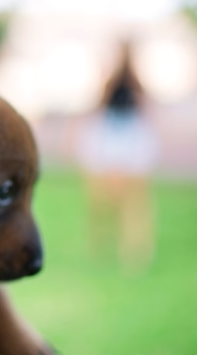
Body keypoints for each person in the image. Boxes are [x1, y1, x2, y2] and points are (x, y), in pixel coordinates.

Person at [75, 42, 158, 274]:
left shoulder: (134, 82)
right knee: (104, 197)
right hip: (112, 134)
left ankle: (133, 246)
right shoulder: (111, 82)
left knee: (132, 198)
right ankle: (106, 240)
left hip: (126, 136)